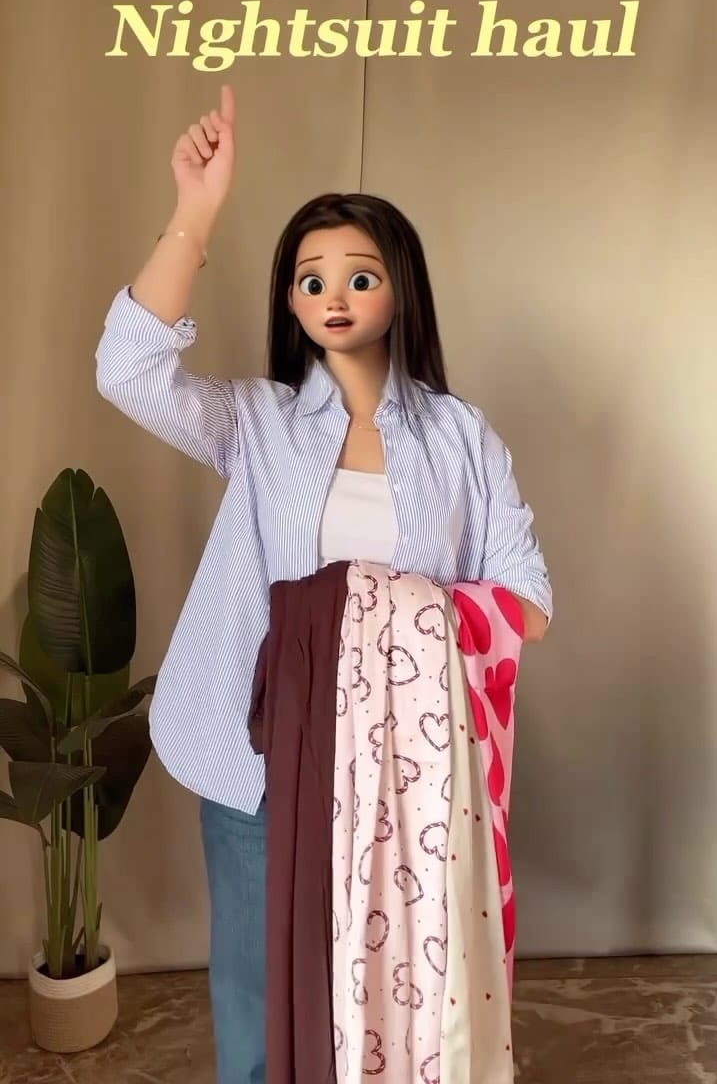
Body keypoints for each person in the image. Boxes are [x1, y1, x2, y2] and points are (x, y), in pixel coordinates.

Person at [95, 84, 552, 1084]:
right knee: (261, 998)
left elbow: (526, 594)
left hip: (407, 765)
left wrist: (395, 612)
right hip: (263, 749)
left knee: (396, 995)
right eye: (310, 280)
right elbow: (128, 370)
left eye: (359, 275)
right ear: (292, 302)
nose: (332, 295)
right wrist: (196, 210)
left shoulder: (459, 438)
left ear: (400, 290)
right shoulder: (256, 422)